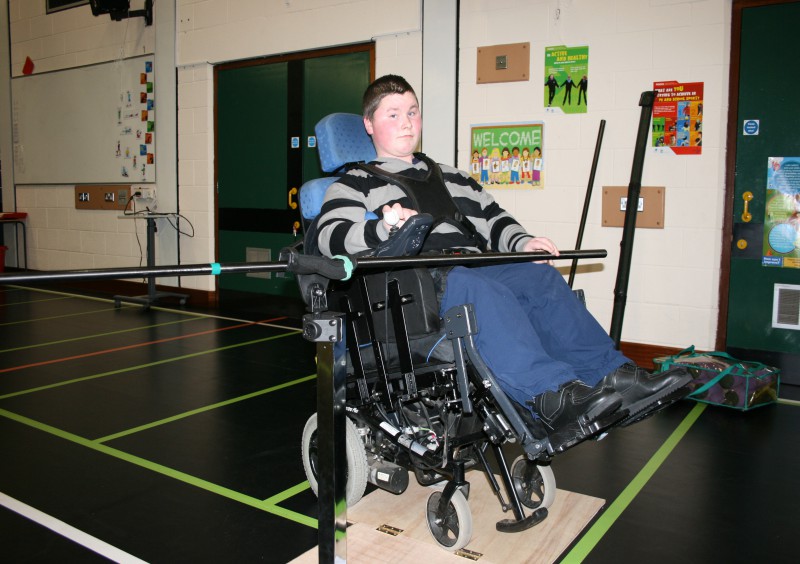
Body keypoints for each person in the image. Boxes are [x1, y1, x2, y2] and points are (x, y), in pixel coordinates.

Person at [315, 75, 691, 451]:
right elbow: (329, 236)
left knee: (539, 277)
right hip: (415, 289)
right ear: (369, 124)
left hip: (469, 269)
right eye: (393, 114)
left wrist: (524, 242)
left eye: (413, 112)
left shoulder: (454, 177)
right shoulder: (354, 183)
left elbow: (495, 221)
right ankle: (551, 396)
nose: (407, 123)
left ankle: (613, 376)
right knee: (476, 287)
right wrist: (382, 228)